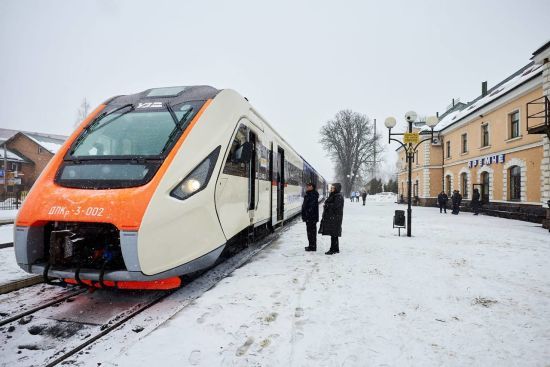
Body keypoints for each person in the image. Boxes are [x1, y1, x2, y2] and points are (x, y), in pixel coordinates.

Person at [319, 183, 344, 255]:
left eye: (333, 188)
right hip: (333, 217)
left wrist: (327, 205)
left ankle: (333, 249)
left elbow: (335, 207)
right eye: (331, 187)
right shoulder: (334, 195)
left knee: (334, 233)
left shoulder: (338, 196)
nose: (331, 189)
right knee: (334, 234)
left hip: (335, 218)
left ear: (336, 188)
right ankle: (335, 249)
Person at [302, 182, 319, 251]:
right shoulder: (310, 194)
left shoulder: (312, 195)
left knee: (311, 232)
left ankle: (312, 247)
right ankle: (311, 245)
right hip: (310, 217)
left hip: (311, 217)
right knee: (310, 232)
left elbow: (311, 207)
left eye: (309, 186)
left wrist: (307, 214)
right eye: (307, 186)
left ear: (312, 187)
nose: (307, 187)